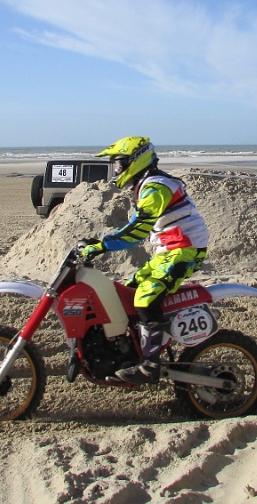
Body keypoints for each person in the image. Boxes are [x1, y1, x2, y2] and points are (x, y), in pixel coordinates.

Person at [80, 136, 210, 384]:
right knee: (127, 292)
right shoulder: (147, 185)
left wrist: (101, 246)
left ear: (136, 160)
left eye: (120, 164)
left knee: (145, 297)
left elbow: (139, 229)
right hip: (167, 252)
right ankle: (131, 350)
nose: (116, 170)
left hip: (185, 251)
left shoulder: (156, 186)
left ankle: (150, 365)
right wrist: (98, 242)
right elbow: (134, 224)